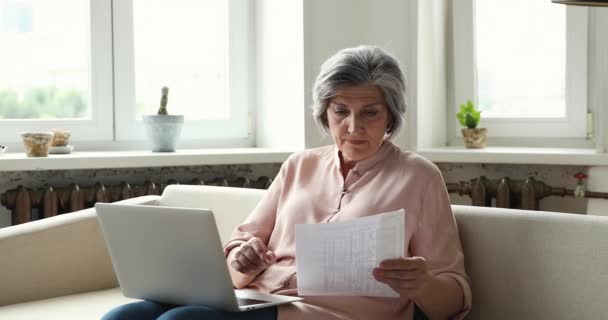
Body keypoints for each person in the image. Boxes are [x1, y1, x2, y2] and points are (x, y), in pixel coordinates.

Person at [102, 45, 471, 320]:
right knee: (122, 317)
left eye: (370, 113)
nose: (354, 128)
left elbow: (455, 296)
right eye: (341, 112)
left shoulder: (419, 176)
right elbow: (238, 251)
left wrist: (422, 284)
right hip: (261, 300)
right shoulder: (300, 164)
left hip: (327, 314)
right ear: (324, 114)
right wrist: (242, 259)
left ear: (391, 115)